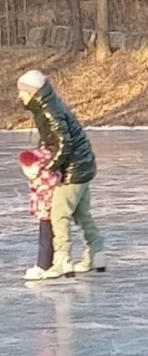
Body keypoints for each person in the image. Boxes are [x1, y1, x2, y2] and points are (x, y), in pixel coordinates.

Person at [17, 70, 105, 278]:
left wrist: (47, 168)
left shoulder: (49, 110)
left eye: (22, 92)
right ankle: (96, 252)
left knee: (59, 214)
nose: (19, 97)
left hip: (73, 170)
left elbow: (64, 143)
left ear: (33, 92)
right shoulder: (48, 106)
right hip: (83, 165)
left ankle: (61, 260)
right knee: (82, 214)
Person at [18, 148, 61, 281]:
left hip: (47, 208)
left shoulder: (42, 173)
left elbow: (54, 179)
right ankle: (50, 262)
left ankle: (43, 264)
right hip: (47, 207)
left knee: (46, 237)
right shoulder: (43, 166)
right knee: (49, 235)